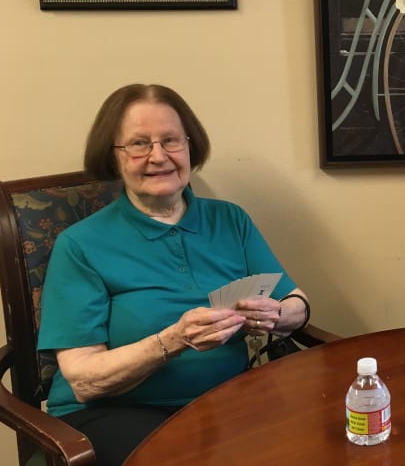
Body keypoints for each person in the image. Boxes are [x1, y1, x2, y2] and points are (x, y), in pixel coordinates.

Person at [37, 84, 314, 466]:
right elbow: (84, 379)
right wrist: (173, 340)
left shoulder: (230, 220)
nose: (158, 156)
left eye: (171, 140)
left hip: (224, 402)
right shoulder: (81, 245)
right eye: (138, 144)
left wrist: (279, 315)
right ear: (113, 157)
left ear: (189, 146)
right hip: (115, 412)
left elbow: (295, 300)